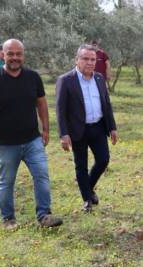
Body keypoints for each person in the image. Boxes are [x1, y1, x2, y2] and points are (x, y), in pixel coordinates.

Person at [0, 38, 63, 229]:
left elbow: (41, 103)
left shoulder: (33, 77)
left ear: (23, 56)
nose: (15, 58)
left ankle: (44, 216)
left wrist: (46, 129)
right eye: (10, 54)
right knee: (6, 182)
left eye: (18, 54)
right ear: (3, 55)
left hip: (33, 140)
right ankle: (8, 219)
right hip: (6, 144)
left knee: (42, 175)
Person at [56, 44, 118, 212]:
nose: (90, 62)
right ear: (77, 60)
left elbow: (107, 104)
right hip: (78, 130)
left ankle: (88, 189)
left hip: (98, 127)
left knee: (103, 160)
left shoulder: (99, 78)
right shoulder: (66, 80)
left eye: (93, 59)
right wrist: (63, 134)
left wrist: (112, 127)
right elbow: (60, 110)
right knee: (81, 165)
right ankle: (87, 200)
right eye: (85, 59)